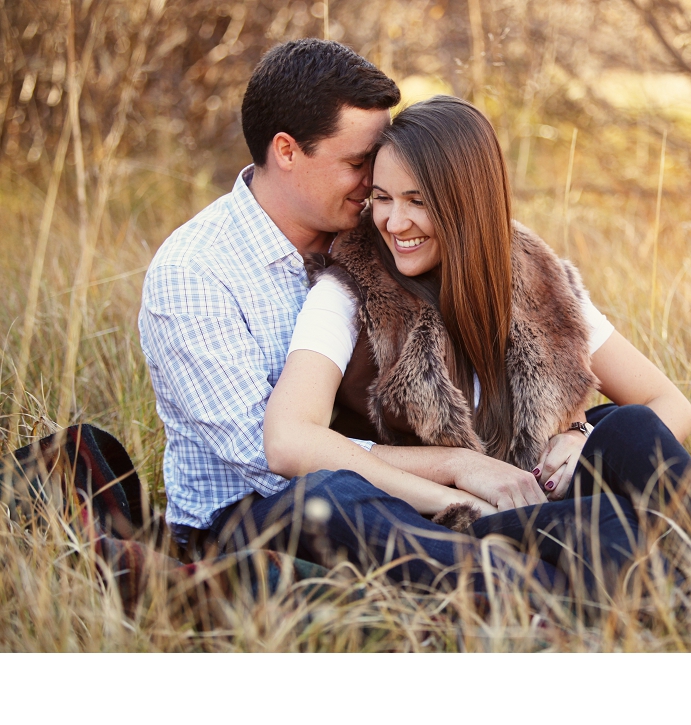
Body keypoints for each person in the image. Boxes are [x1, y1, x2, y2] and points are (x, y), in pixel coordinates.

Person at [139, 40, 640, 597]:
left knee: (614, 449)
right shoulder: (195, 273)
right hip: (257, 517)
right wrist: (456, 474)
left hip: (398, 497)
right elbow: (272, 459)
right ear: (286, 151)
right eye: (358, 165)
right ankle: (543, 594)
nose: (374, 188)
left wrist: (569, 430)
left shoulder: (378, 237)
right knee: (332, 499)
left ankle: (614, 559)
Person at [264, 96, 691, 587]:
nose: (393, 222)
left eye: (418, 201)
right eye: (383, 198)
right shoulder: (348, 290)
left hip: (540, 488)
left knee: (630, 428)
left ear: (468, 203)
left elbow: (669, 403)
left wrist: (580, 441)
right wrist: (457, 469)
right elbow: (288, 440)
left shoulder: (529, 271)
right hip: (448, 517)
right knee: (605, 524)